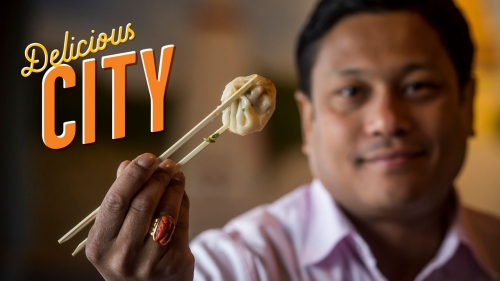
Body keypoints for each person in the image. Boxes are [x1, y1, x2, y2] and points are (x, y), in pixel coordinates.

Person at [85, 0, 500, 280]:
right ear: (309, 121)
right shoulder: (233, 266)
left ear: (467, 105)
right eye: (352, 91)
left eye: (418, 86)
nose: (387, 121)